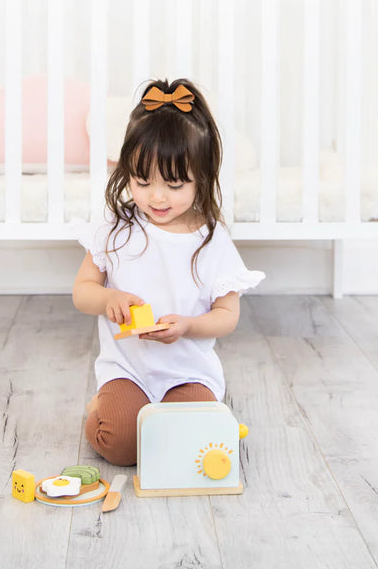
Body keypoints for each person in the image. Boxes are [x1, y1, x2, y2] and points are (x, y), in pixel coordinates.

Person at [73, 78, 264, 466]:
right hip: (128, 371)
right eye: (143, 182)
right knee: (121, 445)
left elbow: (227, 316)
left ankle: (180, 410)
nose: (157, 197)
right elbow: (82, 290)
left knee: (191, 444)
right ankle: (101, 406)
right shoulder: (118, 228)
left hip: (187, 373)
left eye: (174, 185)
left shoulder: (210, 241)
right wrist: (109, 297)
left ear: (202, 178)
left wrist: (188, 327)